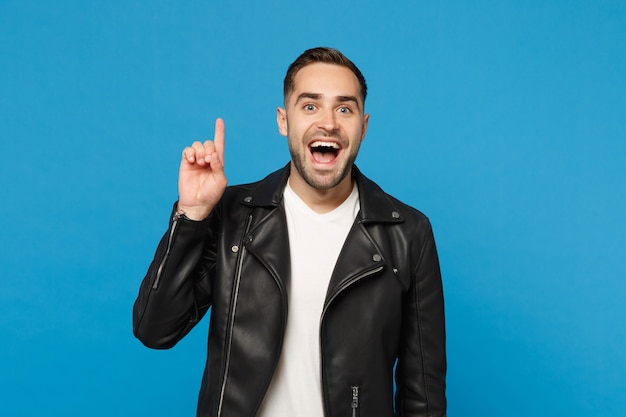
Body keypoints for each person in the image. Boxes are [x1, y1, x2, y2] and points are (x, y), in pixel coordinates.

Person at [133, 46, 446, 417]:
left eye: (344, 108)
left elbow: (422, 393)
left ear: (363, 126)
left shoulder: (408, 232)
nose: (328, 122)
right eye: (310, 106)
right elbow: (155, 330)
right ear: (284, 120)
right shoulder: (234, 216)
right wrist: (192, 216)